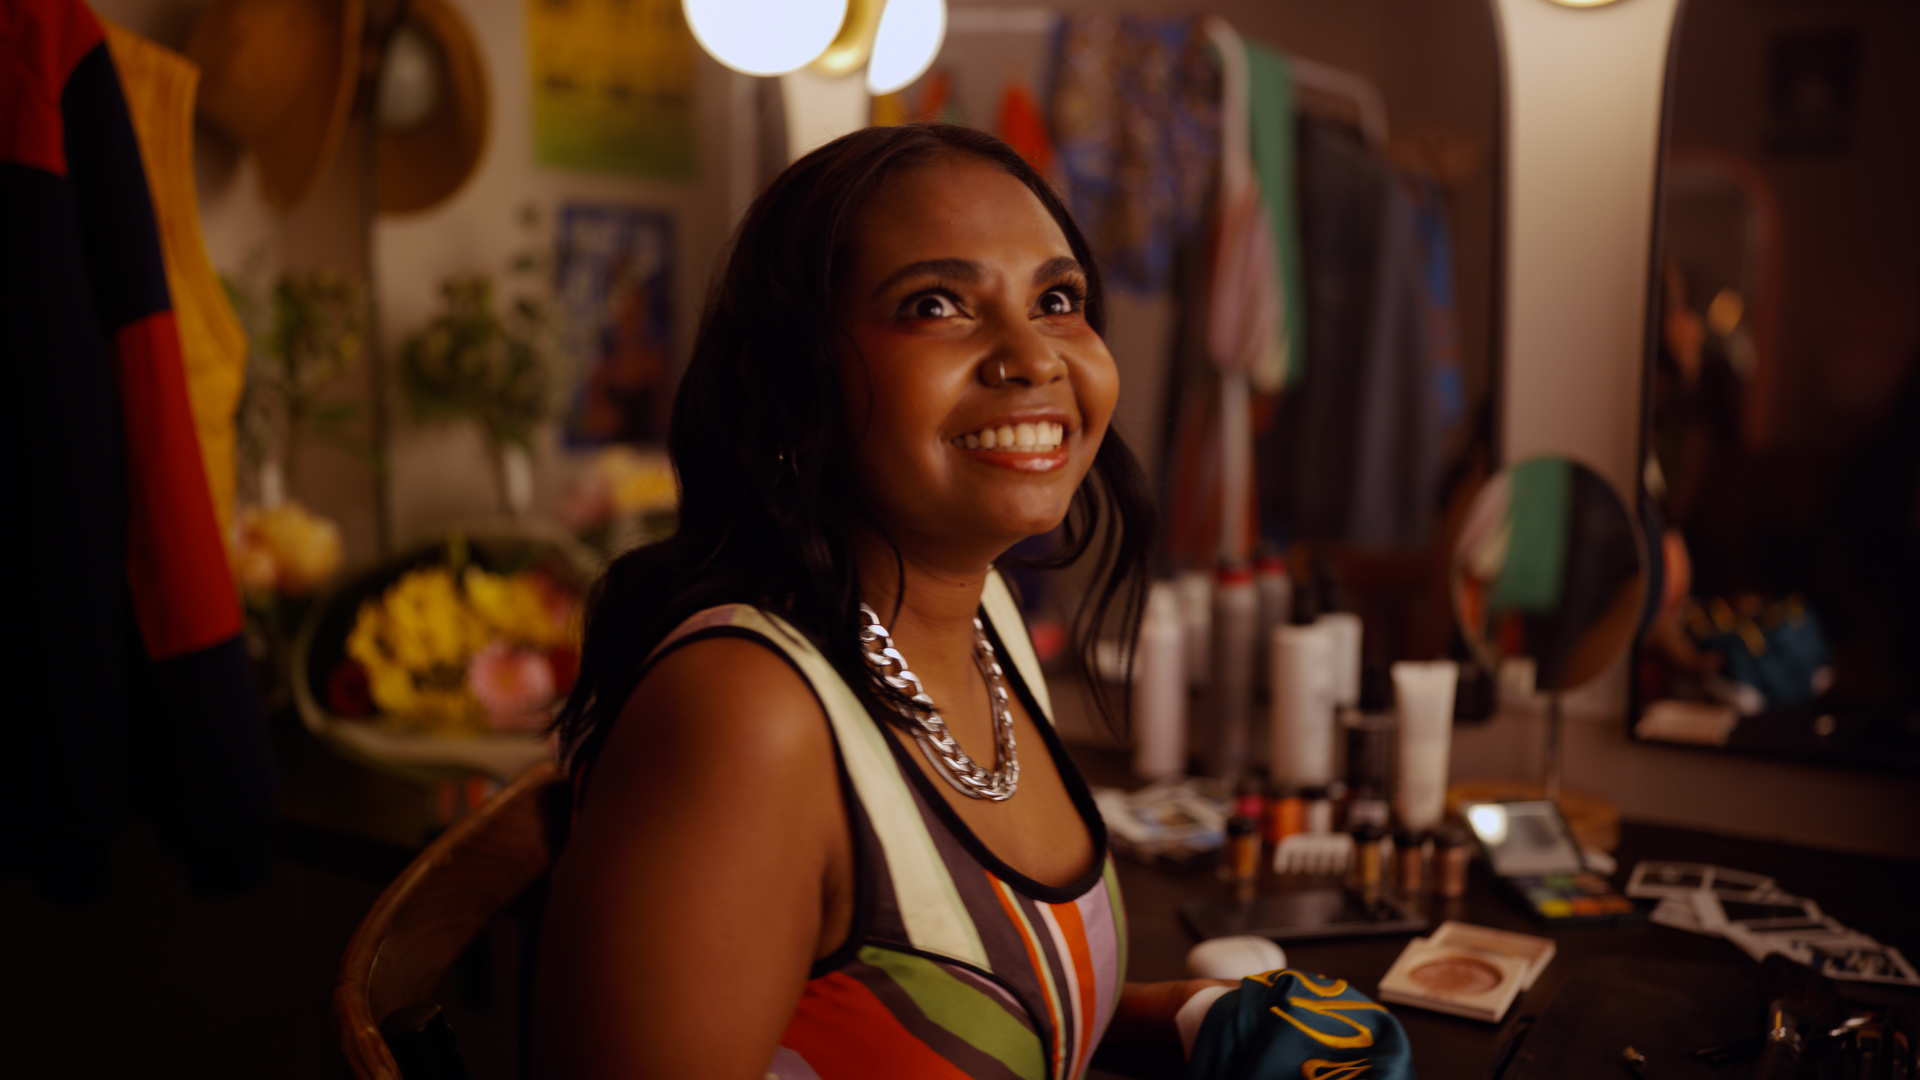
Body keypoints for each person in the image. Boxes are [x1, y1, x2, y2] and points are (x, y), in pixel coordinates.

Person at [532, 123, 1230, 1077]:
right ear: (784, 384)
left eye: (1057, 300)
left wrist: (1196, 1017)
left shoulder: (986, 614)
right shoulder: (748, 716)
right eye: (936, 304)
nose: (1032, 358)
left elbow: (962, 1011)